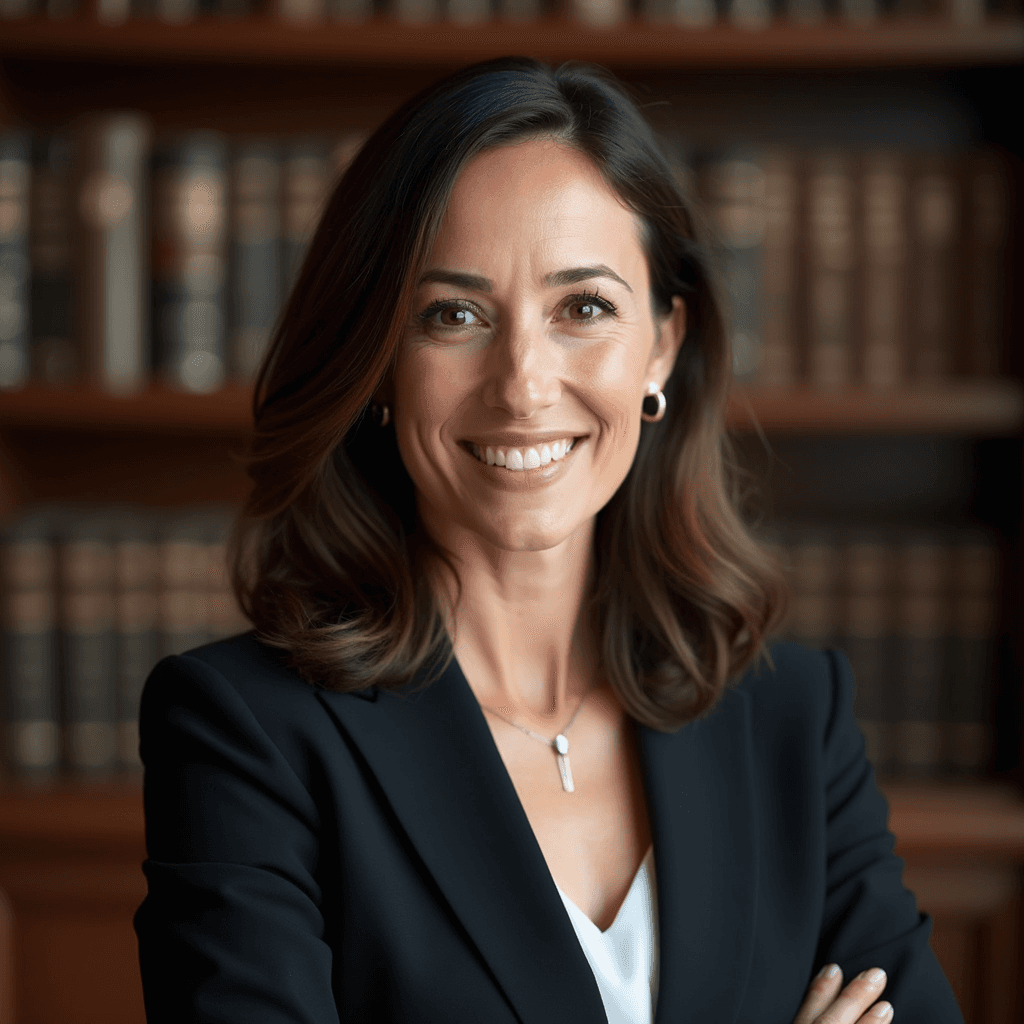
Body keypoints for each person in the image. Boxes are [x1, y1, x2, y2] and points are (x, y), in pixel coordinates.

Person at [133, 57, 965, 1024]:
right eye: (454, 315)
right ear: (378, 363)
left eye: (585, 308)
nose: (523, 384)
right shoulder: (245, 730)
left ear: (662, 344)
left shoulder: (792, 716)